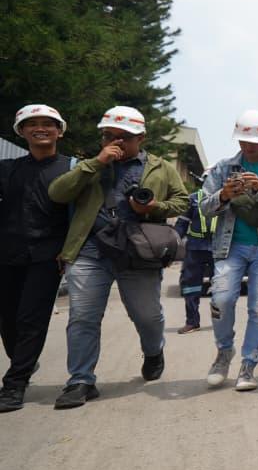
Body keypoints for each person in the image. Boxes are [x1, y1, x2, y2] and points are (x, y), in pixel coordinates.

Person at [48, 105, 187, 409]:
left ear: (141, 138)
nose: (117, 142)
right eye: (109, 135)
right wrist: (96, 164)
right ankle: (81, 380)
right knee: (83, 317)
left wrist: (150, 208)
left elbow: (182, 202)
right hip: (89, 252)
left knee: (147, 316)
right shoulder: (88, 165)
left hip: (137, 252)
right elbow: (57, 194)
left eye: (125, 137)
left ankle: (153, 350)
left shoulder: (160, 167)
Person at [198, 110, 258, 391]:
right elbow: (203, 206)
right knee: (221, 300)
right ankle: (223, 352)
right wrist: (225, 194)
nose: (248, 146)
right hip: (230, 247)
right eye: (243, 140)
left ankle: (248, 365)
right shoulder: (222, 168)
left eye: (254, 141)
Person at [0, 105, 73, 412]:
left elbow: (80, 215)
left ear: (59, 131)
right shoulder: (7, 169)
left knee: (32, 318)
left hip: (47, 256)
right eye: (32, 125)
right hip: (7, 254)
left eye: (47, 124)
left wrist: (68, 251)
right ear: (21, 132)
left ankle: (15, 384)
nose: (40, 128)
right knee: (8, 320)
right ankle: (25, 363)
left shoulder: (72, 168)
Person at [174, 177, 218, 335]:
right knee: (191, 285)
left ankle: (221, 321)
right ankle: (192, 322)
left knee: (221, 287)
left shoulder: (226, 198)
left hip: (218, 249)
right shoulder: (193, 199)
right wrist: (171, 244)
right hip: (195, 248)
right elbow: (182, 224)